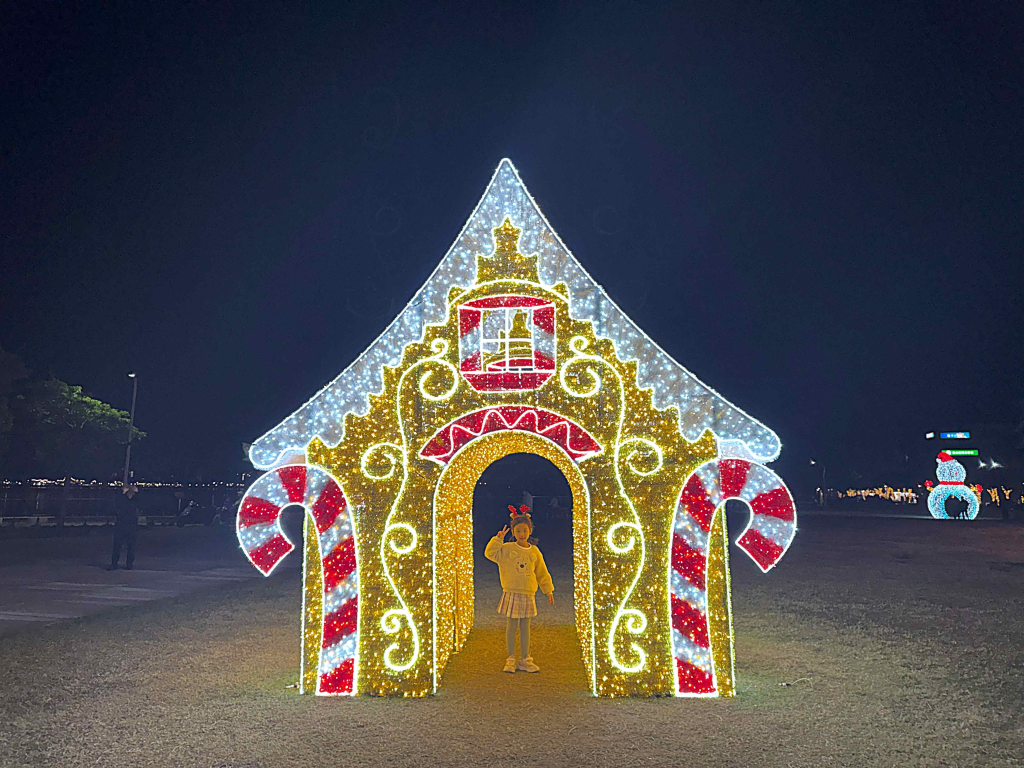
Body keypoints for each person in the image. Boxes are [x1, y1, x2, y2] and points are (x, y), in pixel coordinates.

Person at [484, 504, 554, 674]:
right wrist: (498, 539)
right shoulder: (506, 550)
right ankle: (510, 658)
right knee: (511, 626)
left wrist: (548, 590)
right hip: (512, 591)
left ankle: (525, 659)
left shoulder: (535, 552)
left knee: (525, 627)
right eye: (518, 531)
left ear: (529, 531)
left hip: (528, 593)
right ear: (513, 532)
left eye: (524, 531)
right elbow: (489, 553)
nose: (522, 534)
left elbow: (541, 572)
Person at [110, 485, 139, 570]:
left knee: (131, 546)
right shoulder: (122, 499)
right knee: (117, 545)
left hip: (131, 525)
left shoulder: (135, 500)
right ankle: (114, 563)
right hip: (121, 524)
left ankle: (129, 564)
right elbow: (116, 506)